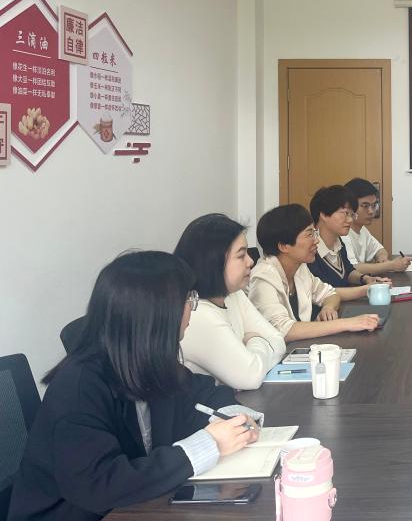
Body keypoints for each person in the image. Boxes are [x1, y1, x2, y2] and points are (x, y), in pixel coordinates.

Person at [9, 252, 263, 521]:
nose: (192, 307)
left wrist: (236, 419)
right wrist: (208, 444)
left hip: (135, 506)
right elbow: (100, 484)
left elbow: (205, 393)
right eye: (188, 298)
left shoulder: (148, 362)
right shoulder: (78, 387)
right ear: (158, 313)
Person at [174, 214, 287, 390]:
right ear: (213, 262)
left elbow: (278, 340)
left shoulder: (234, 295)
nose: (250, 261)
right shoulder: (197, 313)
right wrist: (257, 340)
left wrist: (251, 349)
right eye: (241, 255)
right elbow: (250, 377)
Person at [248, 204, 382, 343]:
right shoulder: (263, 277)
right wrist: (349, 323)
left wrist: (328, 308)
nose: (316, 240)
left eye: (314, 232)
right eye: (309, 234)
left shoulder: (299, 268)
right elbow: (284, 331)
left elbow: (330, 294)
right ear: (284, 246)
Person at [308, 185, 388, 289]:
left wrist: (366, 279)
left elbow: (348, 271)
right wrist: (366, 289)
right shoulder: (310, 250)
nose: (350, 220)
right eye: (345, 213)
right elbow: (323, 292)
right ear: (323, 214)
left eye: (351, 215)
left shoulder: (338, 242)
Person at [342, 177, 411, 274]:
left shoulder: (362, 230)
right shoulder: (343, 232)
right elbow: (352, 268)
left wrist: (382, 259)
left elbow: (380, 250)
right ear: (350, 206)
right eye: (365, 206)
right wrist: (391, 265)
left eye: (374, 205)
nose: (371, 211)